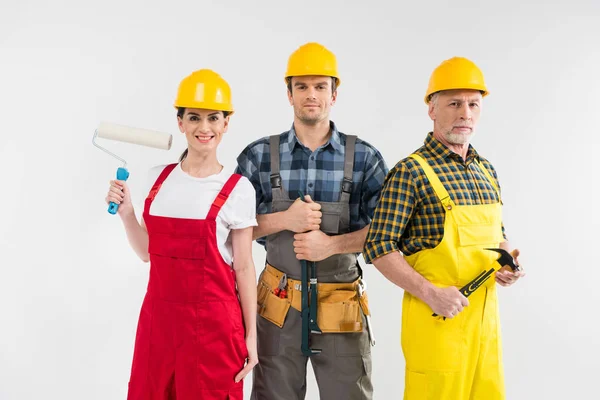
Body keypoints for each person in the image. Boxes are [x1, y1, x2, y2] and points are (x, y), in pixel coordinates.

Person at [363, 57, 526, 399]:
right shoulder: (411, 171)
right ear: (432, 109)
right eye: (454, 103)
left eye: (473, 104)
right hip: (437, 328)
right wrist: (430, 294)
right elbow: (378, 246)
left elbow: (497, 236)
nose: (465, 113)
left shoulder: (486, 170)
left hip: (486, 330)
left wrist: (507, 263)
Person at [235, 42, 388, 400]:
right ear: (288, 93)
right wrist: (284, 219)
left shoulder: (364, 158)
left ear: (335, 93)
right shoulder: (258, 156)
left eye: (320, 86)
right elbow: (232, 232)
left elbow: (385, 233)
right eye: (301, 86)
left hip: (342, 309)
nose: (311, 95)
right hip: (277, 308)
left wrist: (332, 244)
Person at [105, 69, 258, 399]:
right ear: (180, 123)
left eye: (213, 118)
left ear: (226, 123)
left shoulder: (238, 190)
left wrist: (252, 337)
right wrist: (128, 212)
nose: (204, 128)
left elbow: (244, 268)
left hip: (215, 330)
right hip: (158, 327)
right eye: (194, 118)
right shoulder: (158, 179)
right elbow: (148, 252)